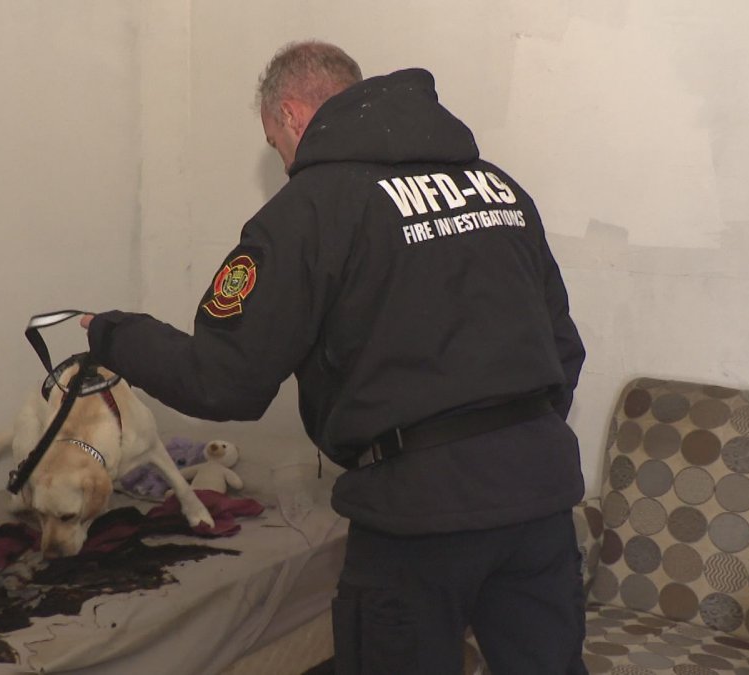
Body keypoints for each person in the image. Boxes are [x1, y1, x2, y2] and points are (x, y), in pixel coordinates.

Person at [80, 40, 586, 675]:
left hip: (417, 516)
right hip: (537, 497)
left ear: (292, 115)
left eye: (273, 142)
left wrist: (113, 334)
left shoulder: (309, 210)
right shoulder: (498, 189)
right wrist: (510, 441)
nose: (283, 158)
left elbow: (224, 382)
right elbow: (563, 347)